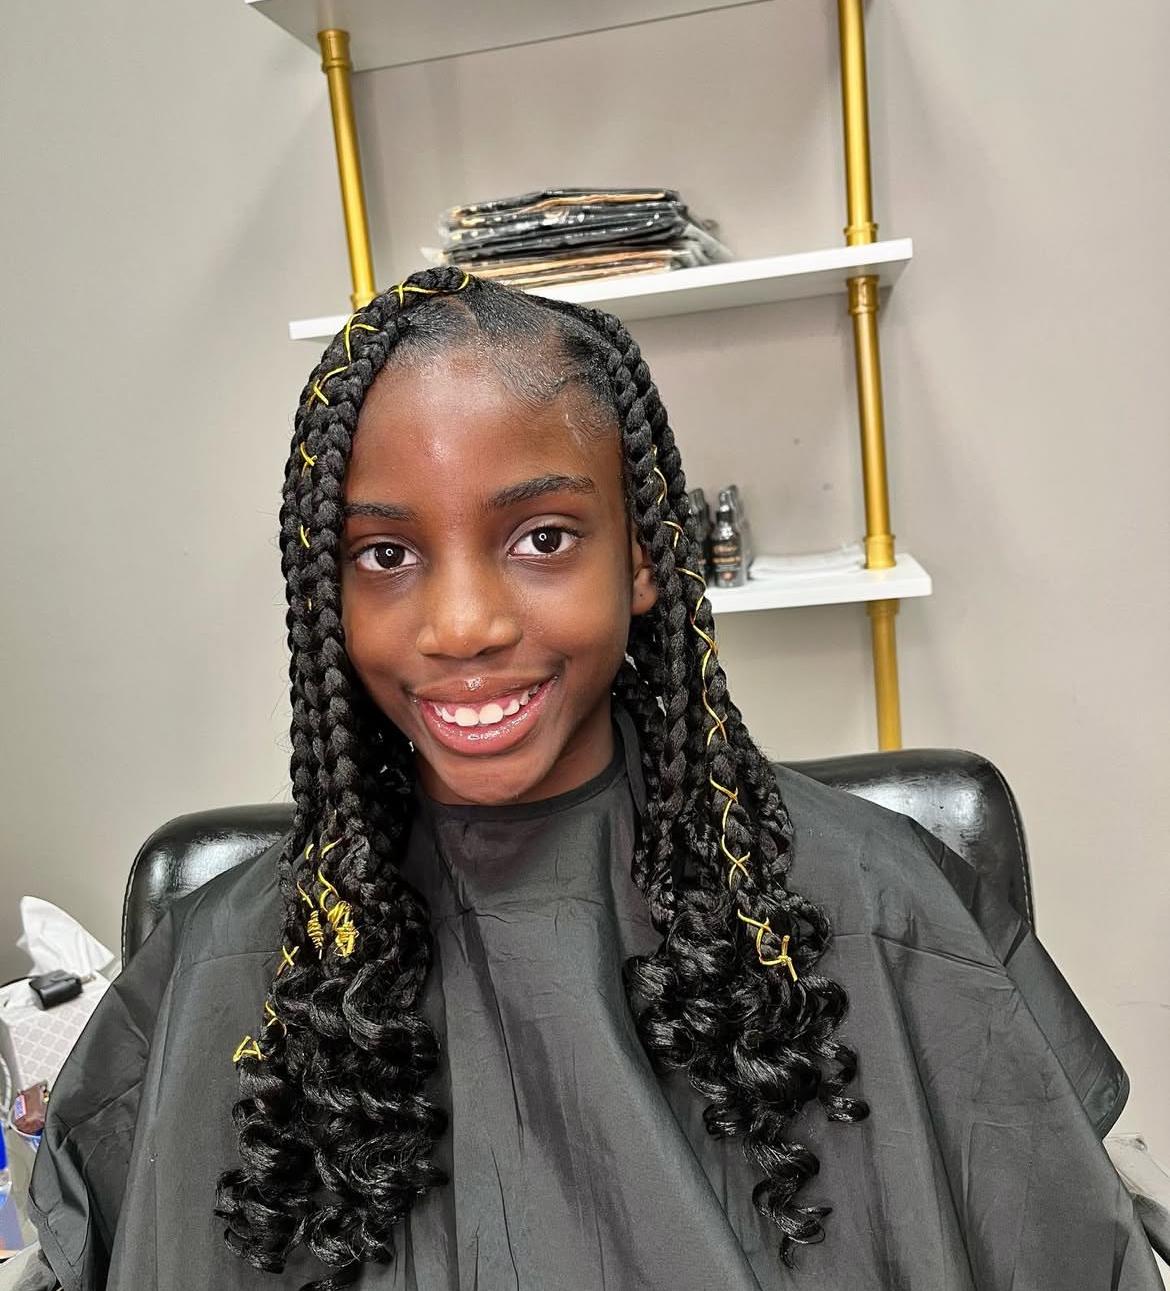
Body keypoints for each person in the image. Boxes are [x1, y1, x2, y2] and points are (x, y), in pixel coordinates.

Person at [22, 269, 1160, 1290]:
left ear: (646, 555)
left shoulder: (880, 902)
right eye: (387, 555)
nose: (462, 623)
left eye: (544, 538)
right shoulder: (222, 968)